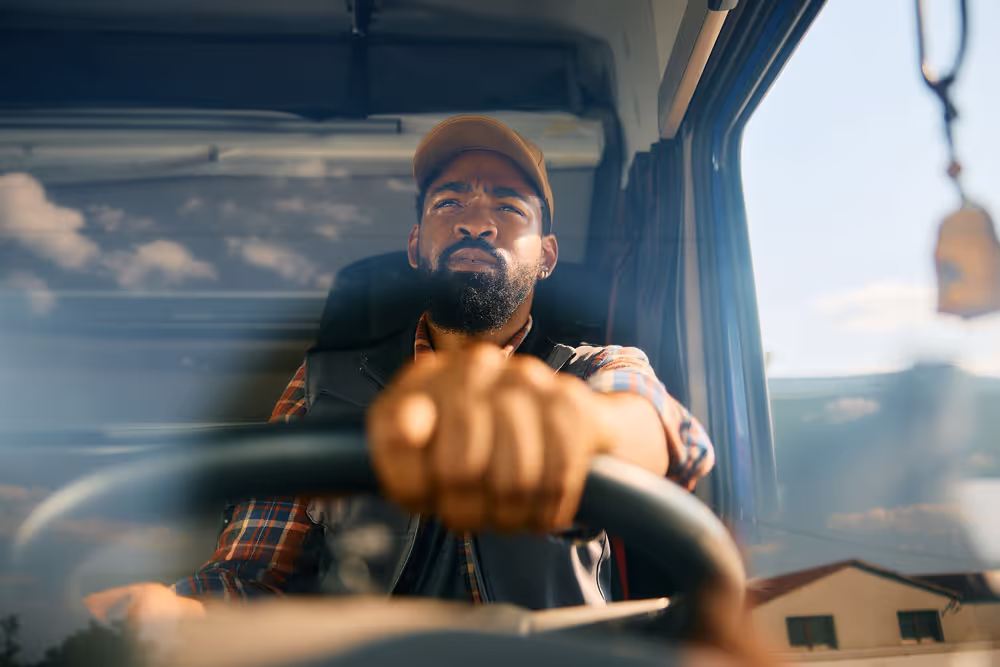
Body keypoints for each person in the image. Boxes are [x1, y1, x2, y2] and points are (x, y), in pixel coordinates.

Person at [91, 115, 715, 621]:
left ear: (547, 256)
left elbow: (662, 430)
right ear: (417, 245)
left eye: (510, 207)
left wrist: (580, 428)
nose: (476, 220)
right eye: (449, 203)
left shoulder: (597, 369)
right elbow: (253, 575)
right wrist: (178, 618)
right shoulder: (320, 388)